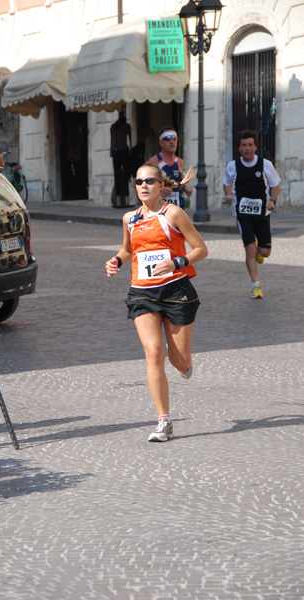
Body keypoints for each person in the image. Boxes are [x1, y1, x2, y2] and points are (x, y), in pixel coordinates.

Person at [105, 162, 208, 443]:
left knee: (179, 360)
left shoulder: (173, 213)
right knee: (153, 352)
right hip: (142, 292)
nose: (144, 186)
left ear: (162, 185)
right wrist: (116, 261)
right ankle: (164, 421)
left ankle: (185, 364)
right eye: (139, 182)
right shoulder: (130, 219)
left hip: (175, 291)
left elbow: (201, 249)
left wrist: (177, 261)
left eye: (150, 181)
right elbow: (128, 250)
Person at [223, 130, 280, 299]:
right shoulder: (232, 166)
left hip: (263, 212)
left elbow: (275, 185)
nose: (247, 148)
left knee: (265, 252)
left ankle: (258, 250)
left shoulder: (266, 165)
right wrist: (228, 195)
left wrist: (273, 200)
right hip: (242, 213)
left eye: (250, 145)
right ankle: (256, 286)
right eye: (243, 145)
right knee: (249, 248)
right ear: (239, 148)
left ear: (255, 147)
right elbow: (227, 183)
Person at [147, 125, 193, 210]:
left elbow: (180, 183)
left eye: (174, 138)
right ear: (161, 142)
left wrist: (187, 188)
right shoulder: (154, 161)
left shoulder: (179, 162)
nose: (172, 141)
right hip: (160, 210)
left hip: (177, 209)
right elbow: (139, 184)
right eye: (167, 138)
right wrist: (159, 190)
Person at [110, 111, 132, 207]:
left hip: (124, 150)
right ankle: (119, 199)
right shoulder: (113, 127)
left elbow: (130, 139)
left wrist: (131, 151)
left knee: (126, 175)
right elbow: (112, 140)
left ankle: (126, 197)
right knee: (117, 174)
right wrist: (111, 151)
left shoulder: (127, 126)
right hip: (117, 151)